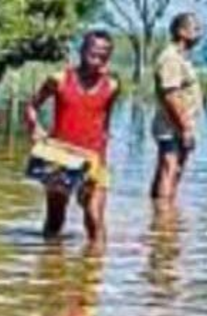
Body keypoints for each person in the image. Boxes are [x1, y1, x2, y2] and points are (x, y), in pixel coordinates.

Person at [25, 31, 123, 247]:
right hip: (61, 156)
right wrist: (35, 128)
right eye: (93, 52)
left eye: (104, 55)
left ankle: (94, 273)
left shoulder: (113, 86)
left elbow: (105, 121)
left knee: (95, 217)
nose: (98, 58)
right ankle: (51, 269)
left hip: (94, 158)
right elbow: (32, 105)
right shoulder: (59, 79)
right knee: (55, 220)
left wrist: (103, 151)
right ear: (82, 50)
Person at [150, 12, 204, 203]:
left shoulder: (181, 58)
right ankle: (163, 221)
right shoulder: (170, 58)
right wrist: (185, 128)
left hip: (178, 124)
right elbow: (170, 95)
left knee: (173, 170)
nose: (200, 33)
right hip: (171, 125)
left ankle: (161, 215)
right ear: (181, 31)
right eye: (196, 29)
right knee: (169, 169)